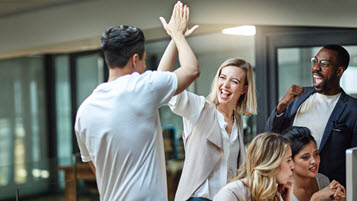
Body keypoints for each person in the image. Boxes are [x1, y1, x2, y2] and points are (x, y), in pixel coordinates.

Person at [74, 2, 200, 201]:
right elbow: (191, 70)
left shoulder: (84, 111)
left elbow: (95, 167)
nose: (144, 67)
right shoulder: (142, 88)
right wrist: (177, 34)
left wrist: (176, 39)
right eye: (143, 61)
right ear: (135, 60)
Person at [158, 39, 257, 200]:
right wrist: (176, 37)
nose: (225, 85)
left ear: (244, 89)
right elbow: (162, 82)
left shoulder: (238, 121)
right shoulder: (199, 107)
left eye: (234, 81)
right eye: (222, 77)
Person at [265, 44, 357, 185]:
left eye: (324, 64)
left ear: (339, 71)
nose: (316, 68)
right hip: (288, 185)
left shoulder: (353, 108)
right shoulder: (298, 96)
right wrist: (282, 106)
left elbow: (354, 162)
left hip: (327, 189)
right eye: (314, 61)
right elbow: (271, 135)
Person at [213, 133, 294, 201]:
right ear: (272, 163)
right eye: (288, 160)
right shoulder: (231, 193)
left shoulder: (273, 195)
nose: (292, 166)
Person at [281, 126, 346, 201]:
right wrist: (316, 198)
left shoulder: (323, 180)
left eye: (316, 154)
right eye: (305, 157)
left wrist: (341, 198)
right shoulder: (278, 193)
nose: (314, 161)